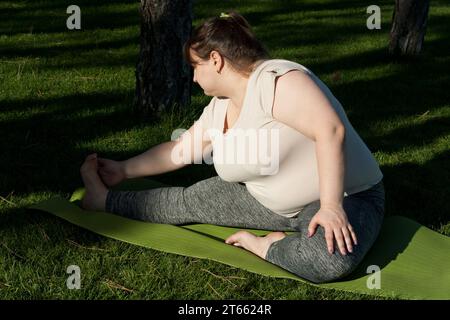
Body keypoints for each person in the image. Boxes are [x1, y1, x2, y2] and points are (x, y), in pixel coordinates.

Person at [79, 11, 385, 283]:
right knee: (187, 202)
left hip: (347, 196)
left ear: (216, 59)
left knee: (327, 259)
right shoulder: (219, 108)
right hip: (267, 203)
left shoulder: (277, 80)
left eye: (195, 67)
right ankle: (103, 200)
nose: (194, 78)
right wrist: (123, 169)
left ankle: (267, 245)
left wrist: (331, 207)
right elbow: (180, 150)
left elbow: (330, 129)